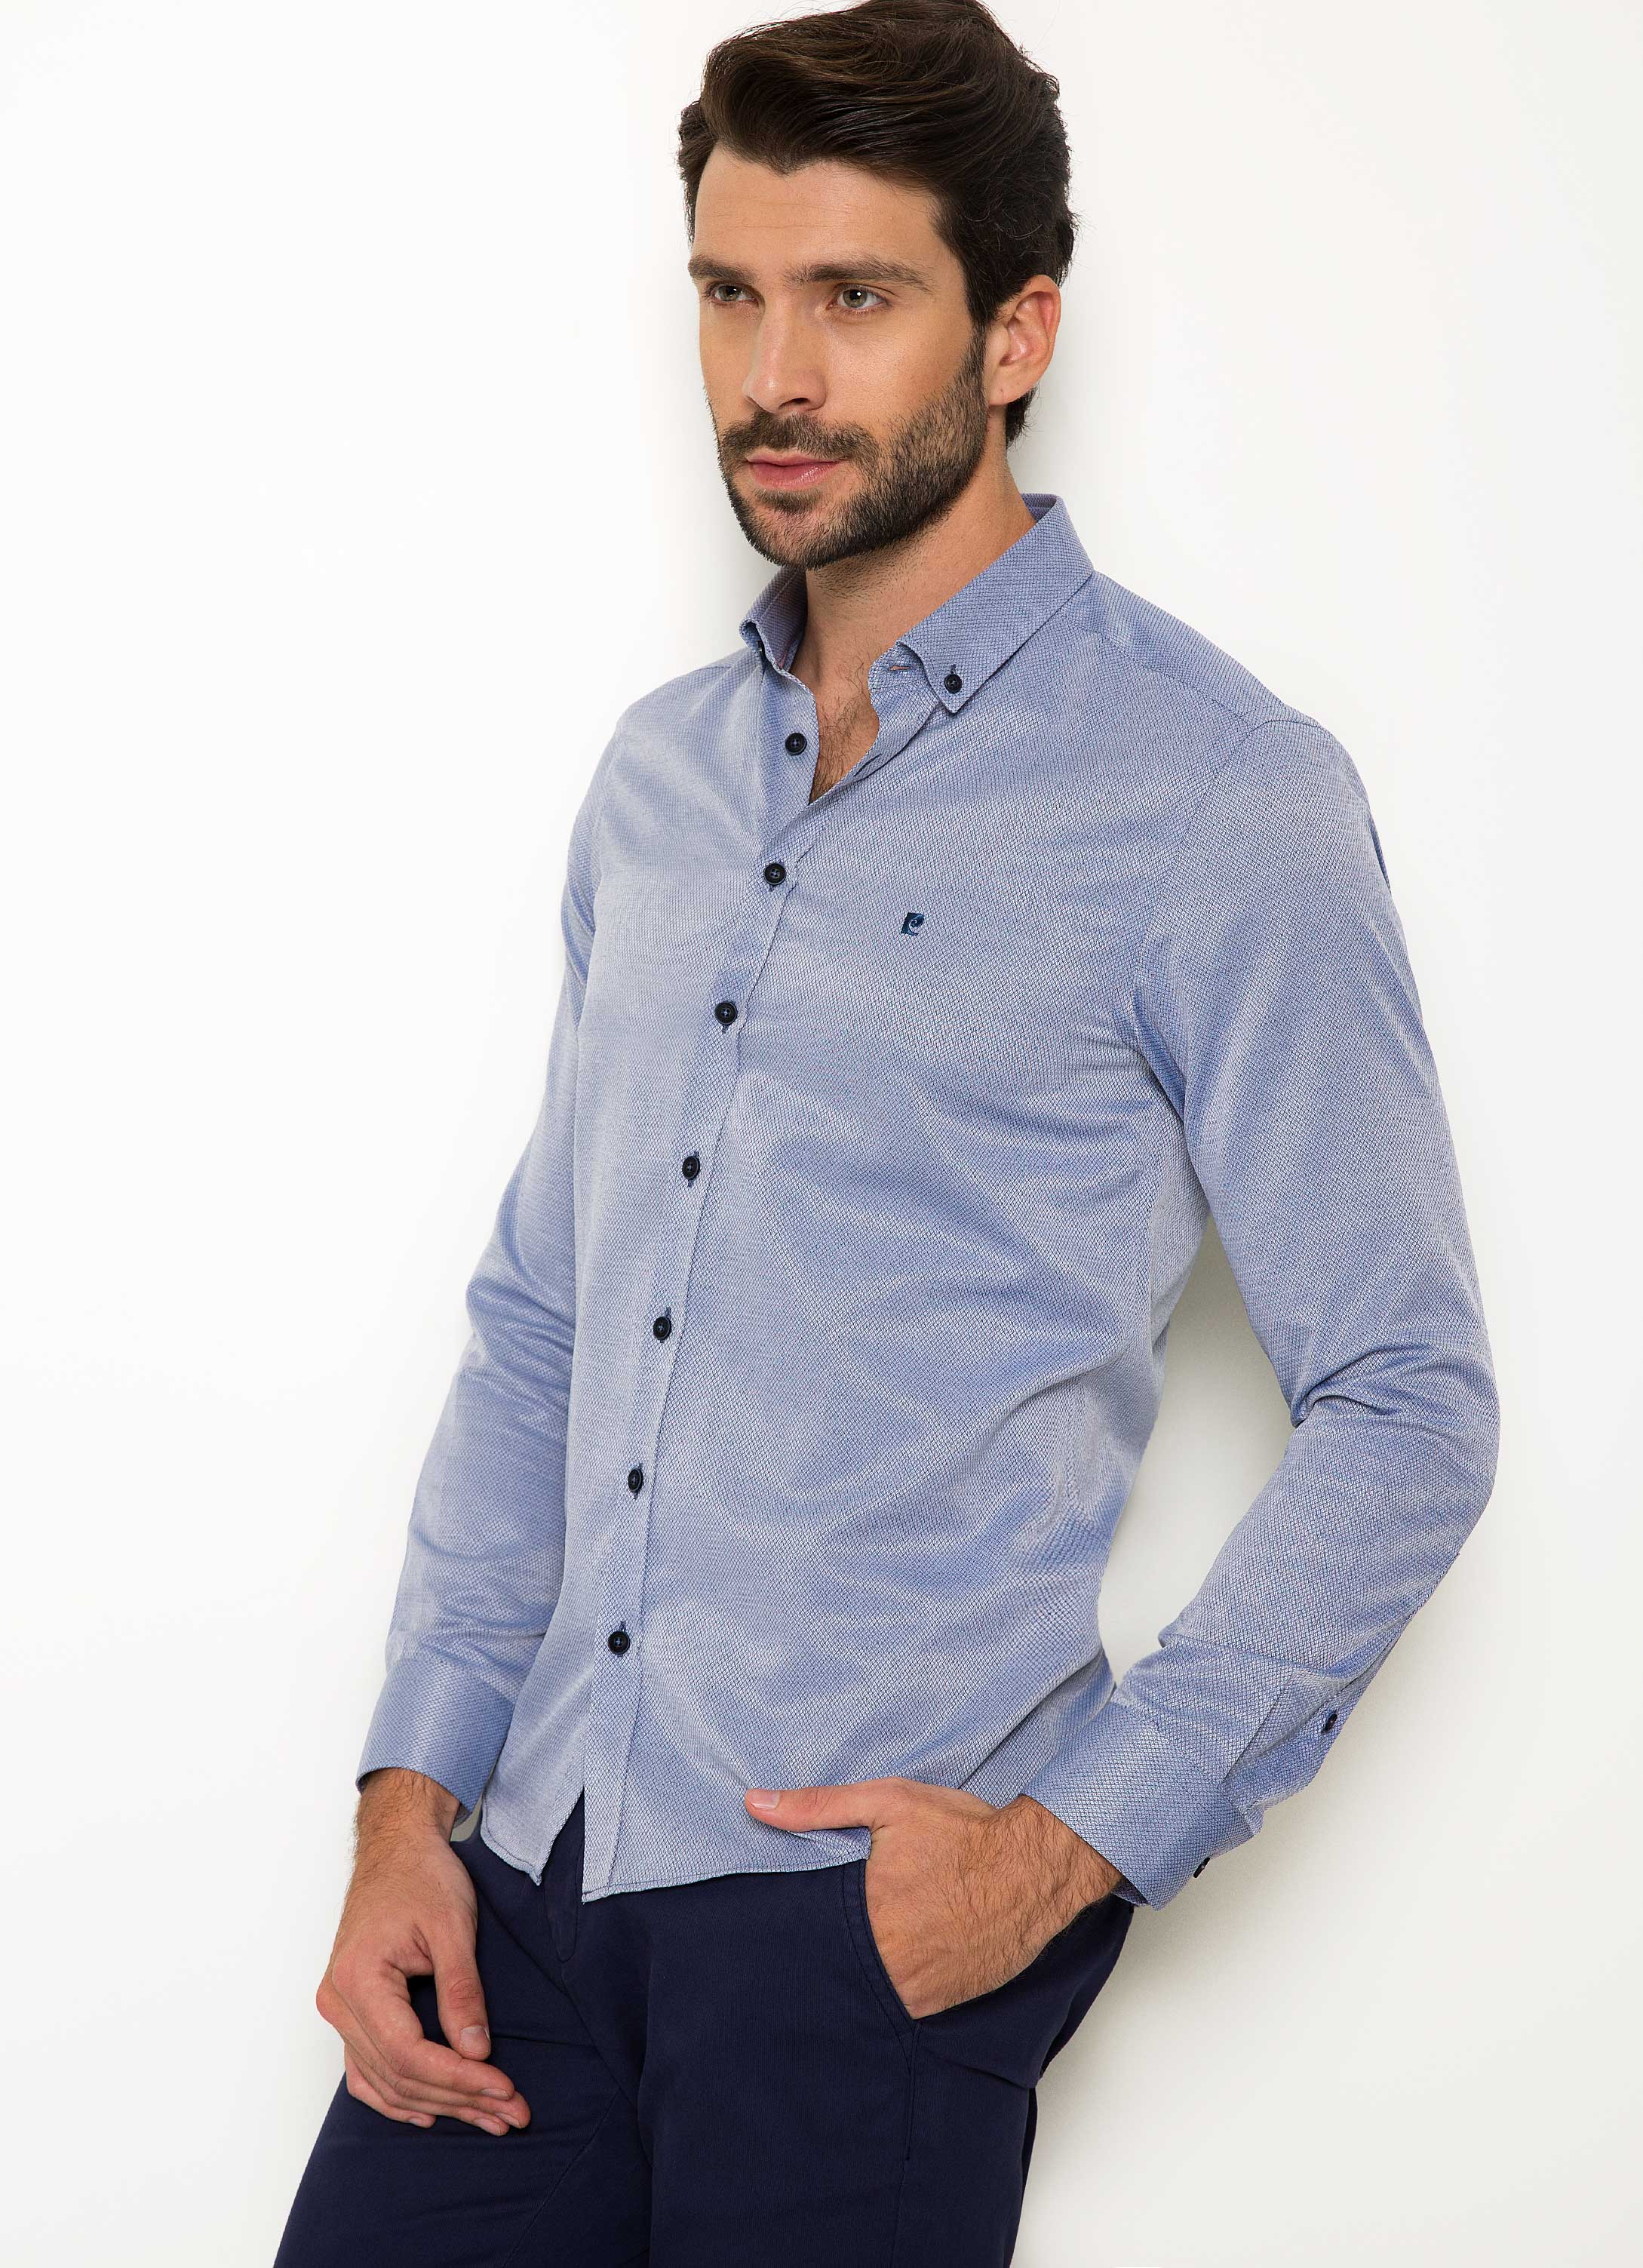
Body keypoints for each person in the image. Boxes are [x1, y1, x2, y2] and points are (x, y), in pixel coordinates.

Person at [273, 2, 1499, 2260]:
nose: (774, 377)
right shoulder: (655, 783)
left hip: (852, 1930)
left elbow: (1406, 1400)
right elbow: (545, 1320)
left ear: (1013, 332)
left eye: (853, 296)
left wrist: (1064, 1851)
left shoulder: (1214, 797)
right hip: (523, 1876)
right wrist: (404, 1802)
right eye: (729, 295)